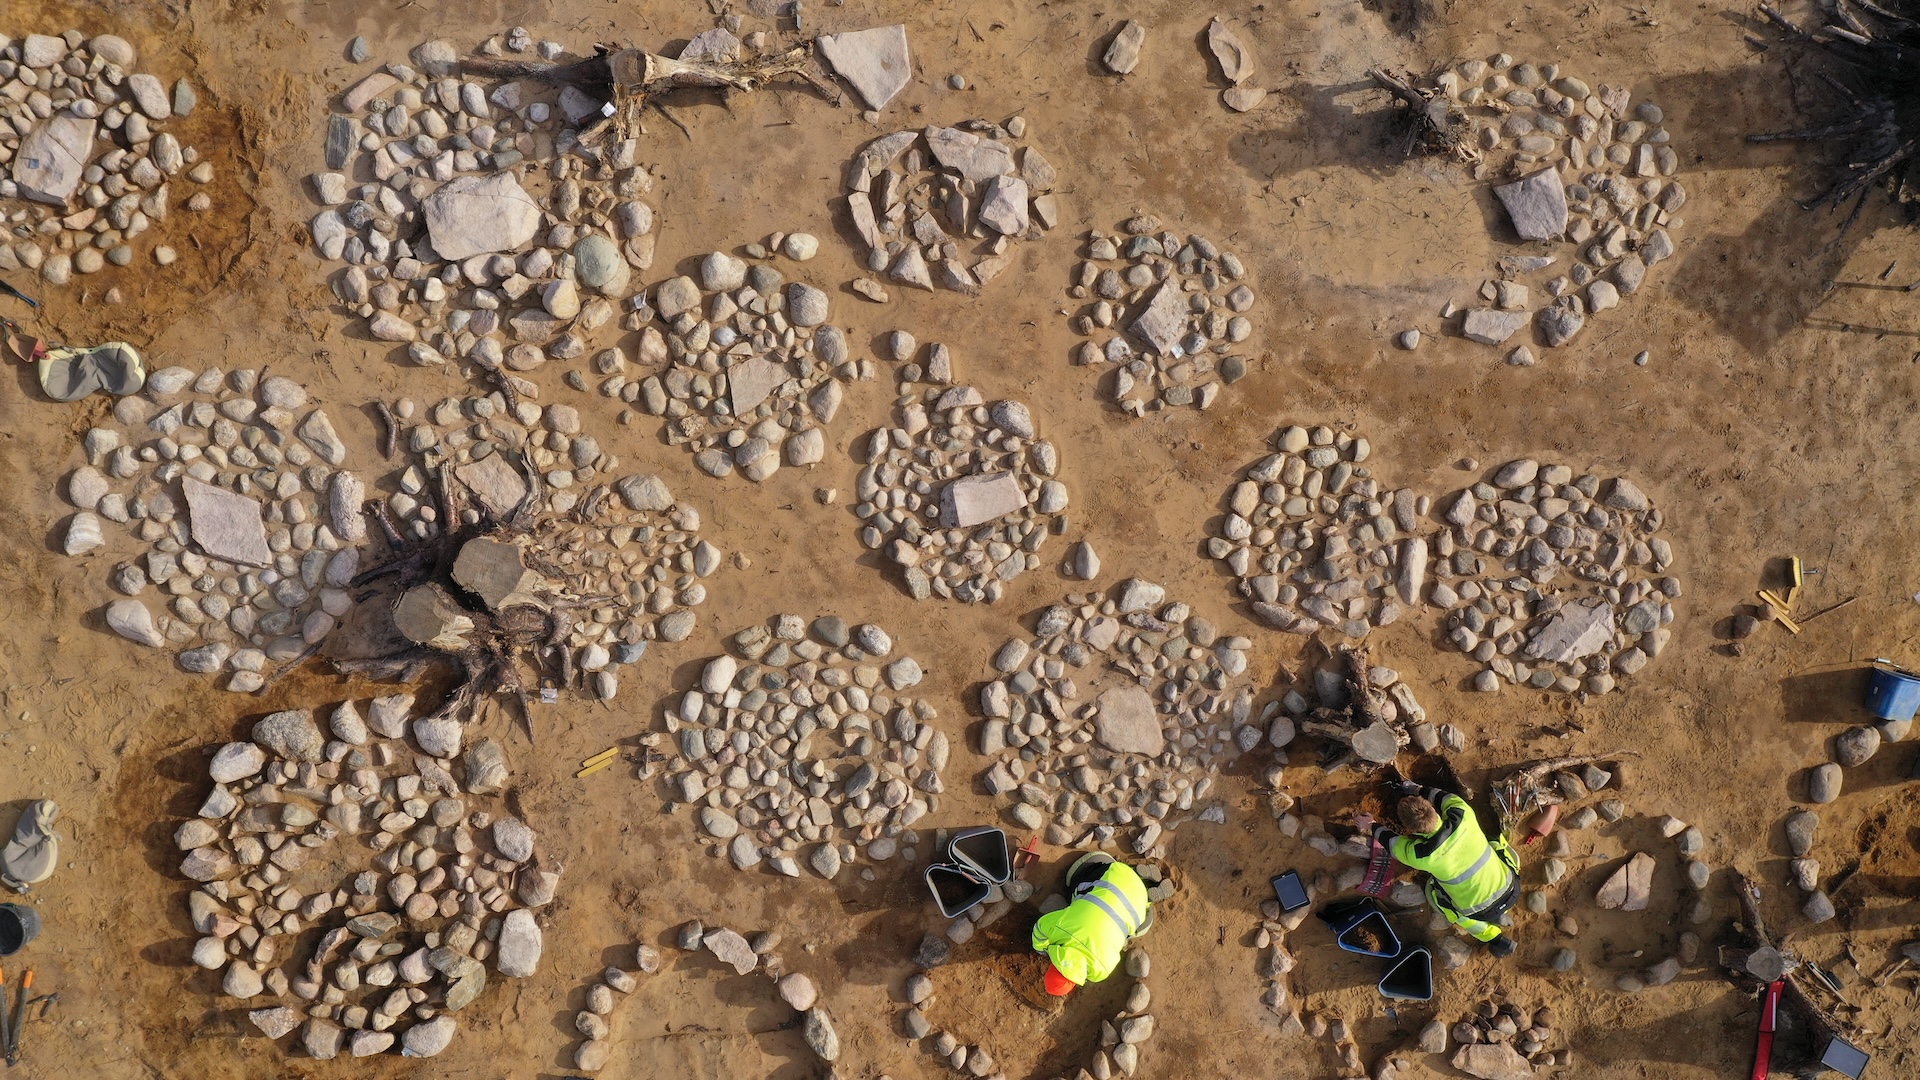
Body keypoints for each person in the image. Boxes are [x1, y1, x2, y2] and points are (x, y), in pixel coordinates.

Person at [1368, 782, 1519, 957]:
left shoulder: (1422, 855)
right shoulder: (1462, 813)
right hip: (1512, 889)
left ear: (1410, 830)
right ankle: (1500, 914)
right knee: (1494, 842)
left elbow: (1392, 844)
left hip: (1480, 910)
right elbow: (1442, 796)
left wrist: (1371, 824)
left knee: (1445, 905)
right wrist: (1417, 789)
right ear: (1432, 808)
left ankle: (1494, 938)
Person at [1031, 853, 1152, 996]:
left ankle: (1146, 897)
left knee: (1136, 928)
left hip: (1136, 903)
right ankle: (1136, 878)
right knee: (1078, 882)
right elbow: (1040, 927)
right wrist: (1041, 948)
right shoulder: (1059, 929)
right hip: (1115, 875)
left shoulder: (1100, 972)